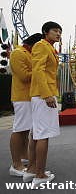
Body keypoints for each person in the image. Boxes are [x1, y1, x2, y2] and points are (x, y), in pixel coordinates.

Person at [29, 22, 62, 186]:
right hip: (44, 96)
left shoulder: (48, 47)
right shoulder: (42, 46)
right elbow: (38, 70)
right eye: (55, 31)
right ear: (45, 32)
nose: (58, 33)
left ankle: (34, 170)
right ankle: (40, 175)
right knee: (43, 135)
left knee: (37, 134)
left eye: (60, 31)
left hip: (42, 95)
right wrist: (47, 94)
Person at [9, 33, 43, 178]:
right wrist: (41, 69)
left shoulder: (29, 54)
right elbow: (23, 76)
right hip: (22, 97)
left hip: (31, 97)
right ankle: (16, 164)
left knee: (25, 130)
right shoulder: (18, 53)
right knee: (19, 129)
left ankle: (23, 157)